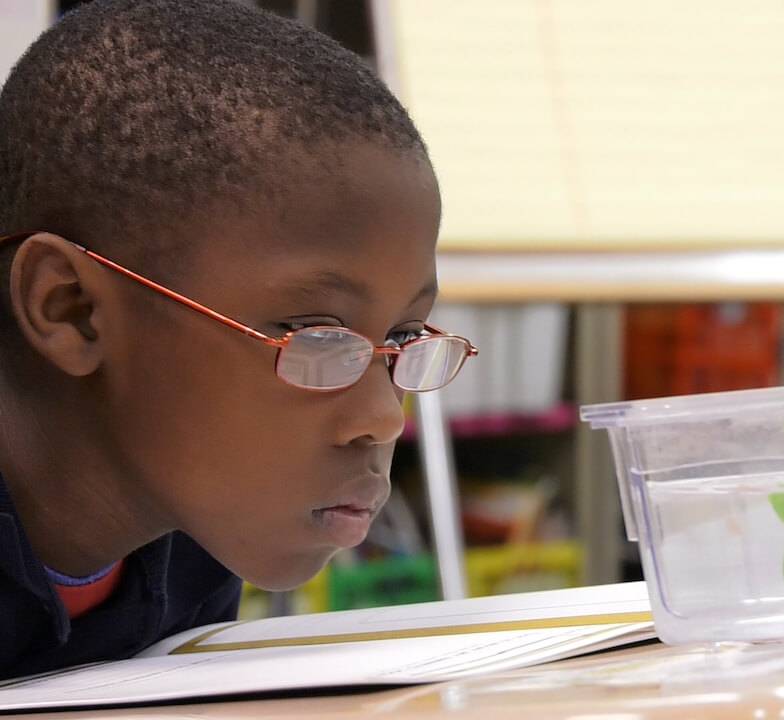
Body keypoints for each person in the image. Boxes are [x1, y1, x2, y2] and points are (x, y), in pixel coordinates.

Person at [0, 0, 473, 678]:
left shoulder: (192, 538)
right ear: (72, 309)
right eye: (314, 335)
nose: (381, 419)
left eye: (402, 338)